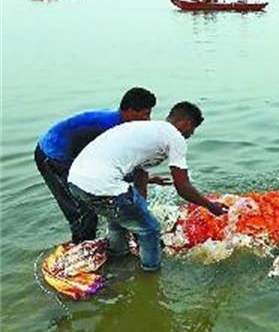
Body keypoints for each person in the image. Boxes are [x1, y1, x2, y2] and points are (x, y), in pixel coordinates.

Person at [68, 102, 229, 271]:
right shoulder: (175, 137)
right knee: (150, 230)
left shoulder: (147, 130)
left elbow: (140, 177)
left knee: (119, 218)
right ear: (187, 123)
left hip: (76, 182)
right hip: (101, 185)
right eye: (192, 130)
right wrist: (211, 206)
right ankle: (150, 275)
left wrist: (139, 209)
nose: (191, 134)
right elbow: (183, 186)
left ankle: (118, 258)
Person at [35, 87, 157, 243]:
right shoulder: (106, 129)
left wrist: (143, 178)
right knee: (82, 213)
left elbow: (111, 166)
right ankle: (81, 254)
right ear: (130, 111)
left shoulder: (122, 126)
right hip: (53, 157)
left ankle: (104, 243)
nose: (148, 120)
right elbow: (98, 167)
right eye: (146, 114)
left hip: (75, 157)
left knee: (105, 200)